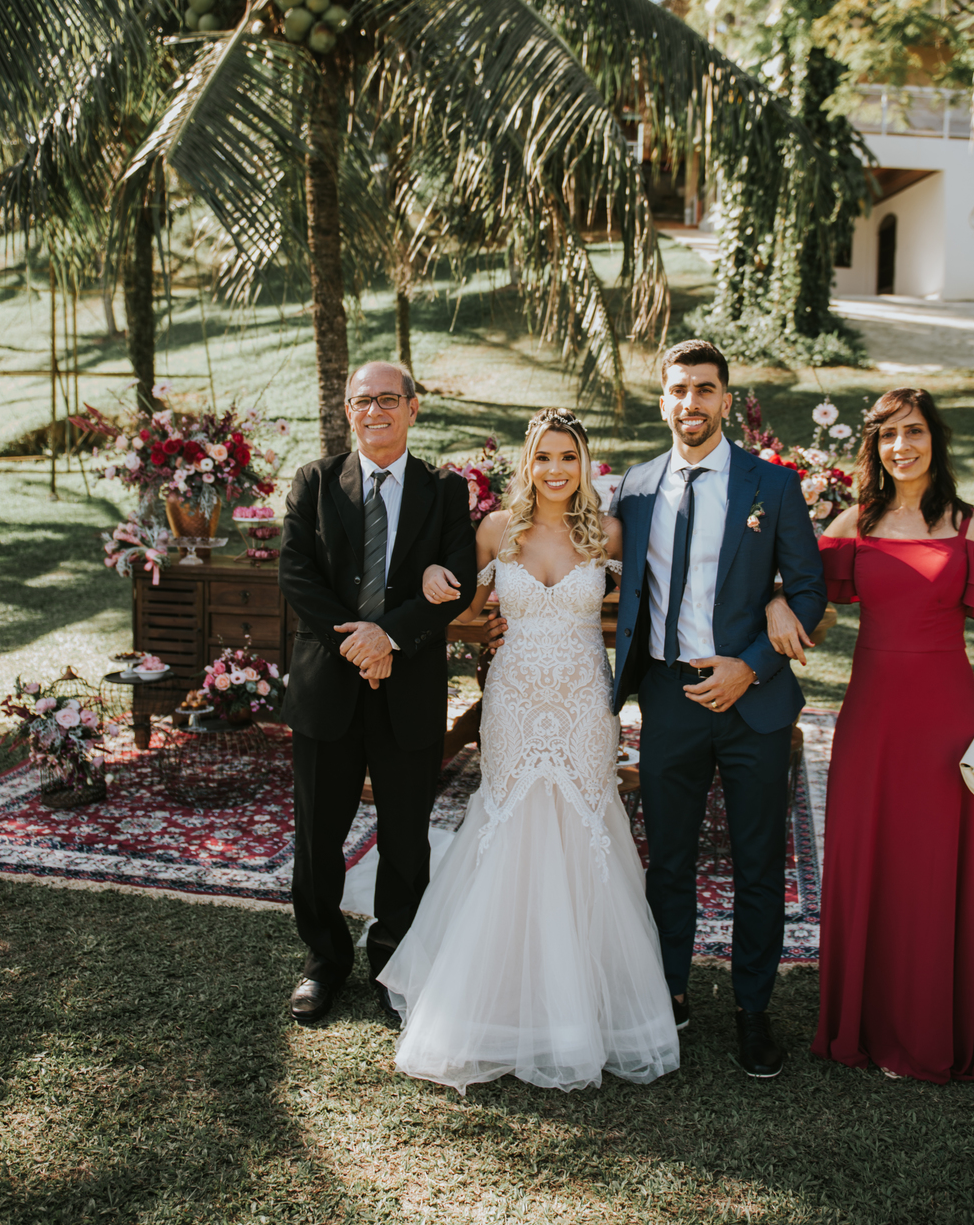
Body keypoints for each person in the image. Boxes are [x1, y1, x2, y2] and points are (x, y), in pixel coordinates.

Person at [379, 409, 680, 1094]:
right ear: (527, 463)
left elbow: (654, 600)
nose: (555, 470)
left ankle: (584, 1013)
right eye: (544, 457)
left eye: (568, 457)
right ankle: (495, 1006)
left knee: (584, 829)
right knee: (508, 826)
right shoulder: (495, 530)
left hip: (582, 705)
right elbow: (457, 607)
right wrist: (452, 592)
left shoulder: (607, 533)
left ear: (584, 464)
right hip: (514, 701)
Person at [768, 387, 974, 1083]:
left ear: (935, 439)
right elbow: (807, 598)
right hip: (871, 720)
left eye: (913, 432)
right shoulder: (856, 523)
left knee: (934, 868)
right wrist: (777, 603)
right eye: (887, 436)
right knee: (869, 863)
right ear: (874, 448)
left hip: (946, 720)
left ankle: (928, 1031)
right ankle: (866, 1026)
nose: (901, 446)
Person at [610, 341, 828, 1080]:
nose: (691, 403)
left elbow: (809, 590)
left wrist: (753, 662)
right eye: (678, 390)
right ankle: (668, 995)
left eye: (705, 389)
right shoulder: (636, 488)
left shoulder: (773, 485)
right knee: (667, 859)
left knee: (759, 862)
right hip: (668, 697)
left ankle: (752, 1010)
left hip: (754, 703)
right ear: (662, 401)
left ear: (726, 401)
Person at [279, 362, 477, 1025]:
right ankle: (324, 962)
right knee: (317, 840)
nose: (375, 411)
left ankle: (395, 965)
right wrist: (356, 643)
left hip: (407, 691)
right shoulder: (314, 482)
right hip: (327, 691)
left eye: (389, 399)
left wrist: (388, 637)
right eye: (362, 401)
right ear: (348, 410)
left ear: (413, 409)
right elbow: (297, 574)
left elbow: (460, 580)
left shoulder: (444, 491)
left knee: (406, 840)